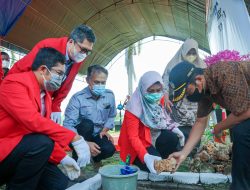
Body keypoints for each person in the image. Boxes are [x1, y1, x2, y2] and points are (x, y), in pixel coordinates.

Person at [0, 47, 91, 190]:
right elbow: (32, 121)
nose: (61, 79)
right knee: (42, 143)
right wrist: (73, 137)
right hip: (4, 151)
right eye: (59, 73)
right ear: (43, 69)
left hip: (21, 150)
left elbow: (43, 130)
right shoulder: (14, 83)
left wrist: (63, 157)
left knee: (57, 182)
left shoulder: (45, 96)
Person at [168, 61, 250, 190]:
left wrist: (218, 127)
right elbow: (200, 121)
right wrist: (183, 153)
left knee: (242, 132)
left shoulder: (225, 73)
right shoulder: (205, 91)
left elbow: (246, 112)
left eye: (187, 92)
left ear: (198, 80)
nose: (188, 97)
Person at [8, 24, 96, 124]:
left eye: (88, 52)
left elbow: (67, 84)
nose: (84, 54)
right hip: (27, 94)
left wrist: (56, 106)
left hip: (46, 100)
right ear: (71, 42)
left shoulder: (77, 57)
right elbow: (22, 68)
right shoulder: (48, 46)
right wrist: (8, 89)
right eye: (83, 49)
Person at [118, 71, 185, 174]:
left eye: (158, 90)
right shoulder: (133, 107)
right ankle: (137, 162)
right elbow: (133, 137)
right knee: (154, 164)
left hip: (152, 137)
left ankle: (157, 157)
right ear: (143, 89)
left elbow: (162, 119)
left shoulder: (159, 99)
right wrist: (145, 156)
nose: (155, 94)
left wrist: (174, 128)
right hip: (136, 145)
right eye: (151, 91)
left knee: (172, 138)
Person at [64, 65, 116, 164]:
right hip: (79, 136)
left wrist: (105, 130)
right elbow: (68, 125)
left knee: (109, 149)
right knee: (87, 124)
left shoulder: (109, 96)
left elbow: (112, 115)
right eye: (96, 82)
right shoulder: (77, 98)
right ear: (87, 80)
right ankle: (78, 157)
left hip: (98, 134)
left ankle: (95, 159)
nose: (100, 85)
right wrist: (84, 143)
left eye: (103, 82)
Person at [162, 38, 206, 145]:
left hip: (195, 104)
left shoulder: (202, 65)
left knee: (195, 127)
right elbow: (165, 83)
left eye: (193, 52)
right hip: (178, 101)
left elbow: (205, 85)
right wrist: (166, 98)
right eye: (188, 52)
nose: (191, 55)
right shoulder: (173, 65)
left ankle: (193, 152)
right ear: (183, 51)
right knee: (179, 130)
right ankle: (179, 151)